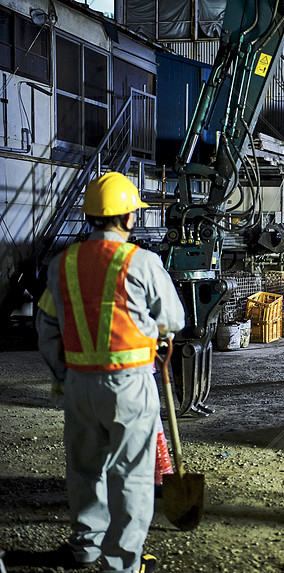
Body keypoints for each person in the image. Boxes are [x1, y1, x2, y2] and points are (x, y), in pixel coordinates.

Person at [35, 172, 185, 573]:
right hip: (130, 386)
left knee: (84, 468)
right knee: (131, 474)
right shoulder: (142, 262)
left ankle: (84, 547)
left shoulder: (62, 264)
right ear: (128, 217)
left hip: (79, 385)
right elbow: (173, 319)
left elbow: (46, 326)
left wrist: (65, 374)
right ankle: (121, 564)